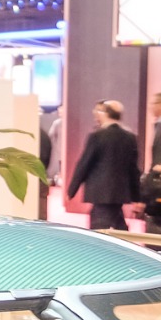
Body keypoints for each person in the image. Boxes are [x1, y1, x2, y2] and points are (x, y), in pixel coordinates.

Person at [67, 99, 140, 231]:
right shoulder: (130, 138)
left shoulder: (97, 136)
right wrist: (137, 197)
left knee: (99, 230)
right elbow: (133, 169)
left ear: (104, 114)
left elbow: (84, 164)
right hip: (120, 193)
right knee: (119, 227)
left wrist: (71, 191)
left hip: (100, 193)